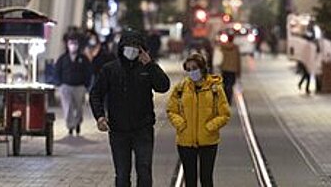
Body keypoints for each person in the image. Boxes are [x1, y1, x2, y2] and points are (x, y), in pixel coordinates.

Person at [89, 29, 170, 187]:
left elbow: (163, 86)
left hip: (143, 129)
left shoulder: (147, 68)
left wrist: (150, 65)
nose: (131, 50)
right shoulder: (110, 69)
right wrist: (100, 116)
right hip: (118, 130)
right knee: (122, 173)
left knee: (144, 171)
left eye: (136, 47)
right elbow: (96, 94)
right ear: (121, 48)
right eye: (128, 46)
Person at [167, 53, 230, 187]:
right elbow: (171, 110)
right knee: (190, 179)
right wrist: (181, 125)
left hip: (208, 140)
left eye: (194, 68)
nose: (191, 72)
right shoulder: (180, 88)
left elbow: (225, 114)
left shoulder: (215, 88)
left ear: (202, 68)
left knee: (206, 178)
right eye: (188, 69)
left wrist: (210, 127)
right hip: (185, 140)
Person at [55, 34, 93, 136]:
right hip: (66, 86)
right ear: (67, 45)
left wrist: (86, 85)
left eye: (75, 44)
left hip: (79, 87)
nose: (73, 46)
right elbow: (57, 71)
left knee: (79, 108)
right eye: (71, 44)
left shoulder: (83, 59)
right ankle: (70, 126)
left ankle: (78, 123)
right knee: (68, 107)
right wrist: (59, 84)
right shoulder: (63, 59)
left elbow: (88, 72)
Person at [218, 34, 241, 105]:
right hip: (233, 69)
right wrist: (239, 71)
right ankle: (229, 100)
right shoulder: (236, 48)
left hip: (224, 68)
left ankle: (224, 99)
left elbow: (219, 57)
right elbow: (238, 60)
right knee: (230, 85)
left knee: (224, 84)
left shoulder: (222, 47)